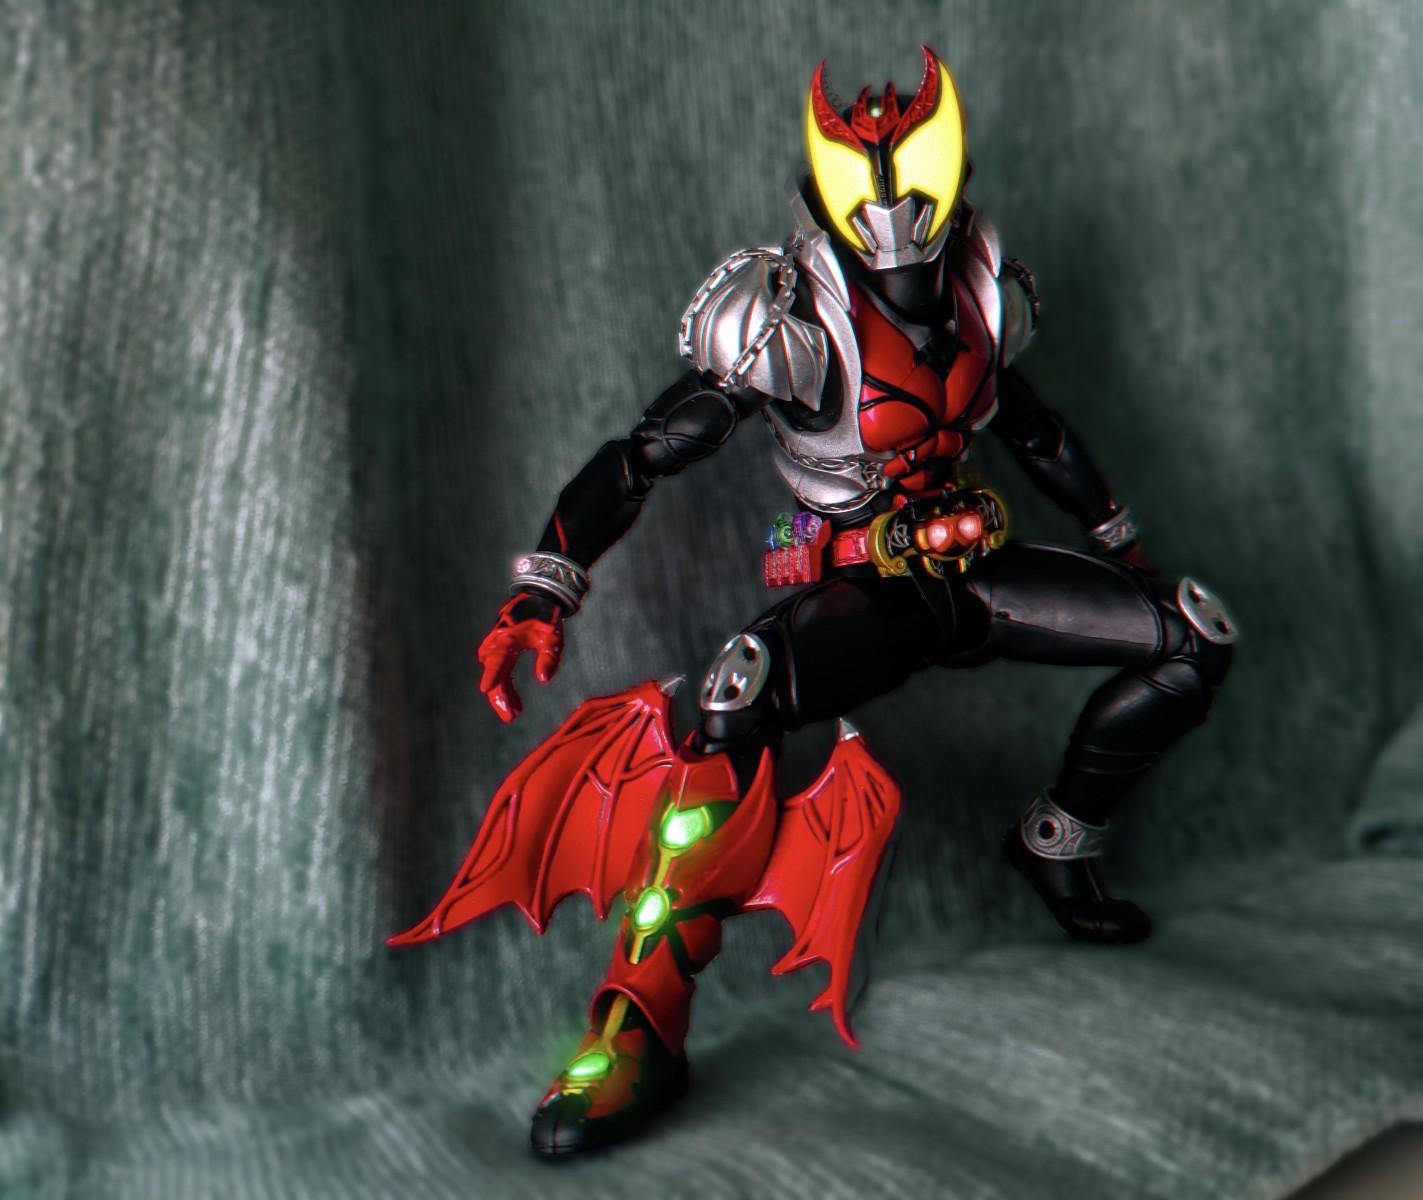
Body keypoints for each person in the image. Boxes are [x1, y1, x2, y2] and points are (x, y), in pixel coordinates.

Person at [393, 46, 1236, 1158]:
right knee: (733, 697)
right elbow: (646, 452)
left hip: (974, 574)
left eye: (914, 168)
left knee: (1192, 635)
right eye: (865, 175)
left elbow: (1036, 430)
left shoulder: (986, 290)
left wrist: (1120, 543)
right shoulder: (788, 317)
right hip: (862, 589)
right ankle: (638, 1023)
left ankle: (1055, 841)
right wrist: (548, 587)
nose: (892, 202)